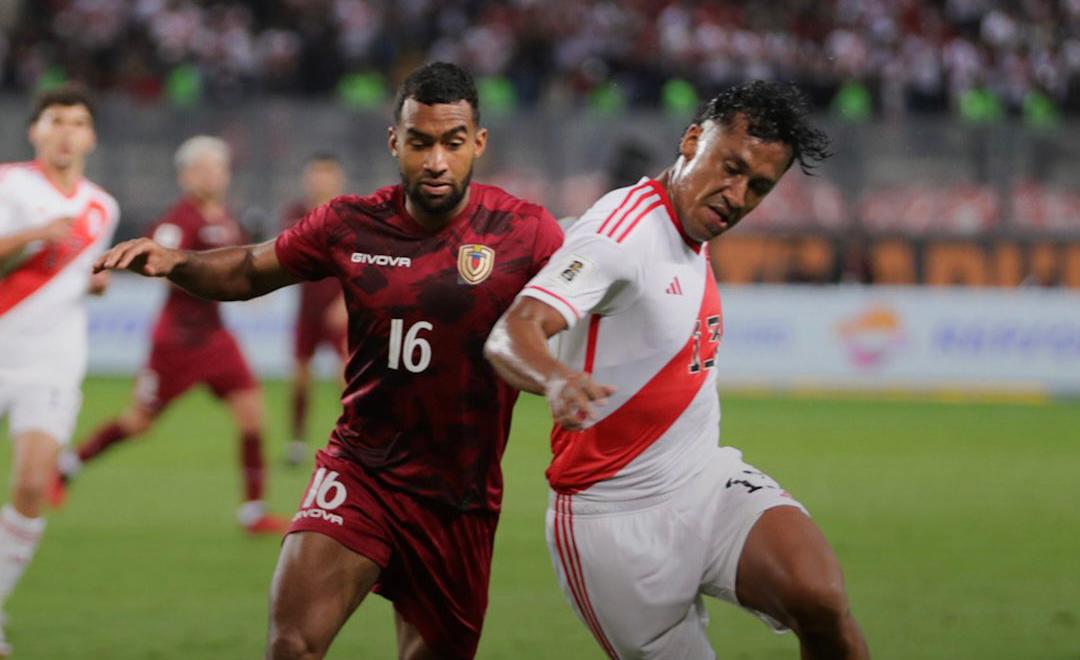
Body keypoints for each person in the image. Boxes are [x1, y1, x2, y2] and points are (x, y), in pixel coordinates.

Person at [91, 62, 563, 659]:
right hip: (361, 470)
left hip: (459, 498)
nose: (437, 161)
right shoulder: (350, 224)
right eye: (420, 143)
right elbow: (248, 268)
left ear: (479, 143)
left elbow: (584, 306)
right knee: (291, 645)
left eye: (453, 142)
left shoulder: (526, 231)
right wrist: (175, 262)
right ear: (395, 141)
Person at [485, 81, 871, 659]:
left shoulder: (689, 226)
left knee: (821, 599)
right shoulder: (623, 232)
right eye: (730, 167)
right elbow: (513, 331)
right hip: (612, 522)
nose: (736, 195)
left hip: (704, 483)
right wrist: (555, 378)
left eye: (758, 187)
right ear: (691, 140)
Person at [56, 135, 287, 535]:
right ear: (186, 175)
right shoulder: (176, 222)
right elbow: (159, 271)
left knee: (252, 418)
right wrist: (204, 276)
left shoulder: (226, 218)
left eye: (220, 167)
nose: (215, 174)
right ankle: (68, 464)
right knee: (138, 422)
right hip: (177, 340)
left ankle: (253, 512)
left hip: (216, 337)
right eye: (206, 168)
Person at [0, 84, 119, 656]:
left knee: (29, 486)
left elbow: (80, 279)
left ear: (90, 136)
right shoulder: (10, 184)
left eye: (77, 121)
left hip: (52, 362)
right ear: (36, 131)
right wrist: (33, 237)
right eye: (56, 120)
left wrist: (96, 284)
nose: (66, 131)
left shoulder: (103, 207)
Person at [280, 153, 348, 466]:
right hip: (307, 311)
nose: (321, 180)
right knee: (299, 379)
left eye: (327, 174)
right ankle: (296, 441)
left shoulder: (349, 216)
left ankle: (355, 442)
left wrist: (347, 301)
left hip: (341, 311)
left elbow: (362, 266)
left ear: (337, 179)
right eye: (316, 174)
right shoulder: (296, 214)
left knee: (348, 378)